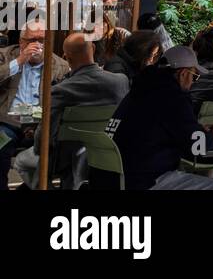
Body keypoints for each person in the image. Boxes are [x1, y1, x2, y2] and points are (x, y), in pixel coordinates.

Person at [12, 31, 128, 189]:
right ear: (92, 48)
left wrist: (36, 138)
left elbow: (44, 140)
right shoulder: (121, 81)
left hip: (65, 157)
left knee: (21, 161)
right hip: (107, 152)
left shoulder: (60, 90)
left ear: (67, 58)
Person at [108, 46, 213, 190]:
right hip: (143, 179)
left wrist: (195, 130)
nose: (192, 83)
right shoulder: (173, 97)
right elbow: (197, 146)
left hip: (111, 178)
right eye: (194, 76)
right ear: (183, 74)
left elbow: (157, 129)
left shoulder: (141, 89)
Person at [0, 19, 70, 183]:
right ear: (20, 41)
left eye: (42, 40)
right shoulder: (4, 56)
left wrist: (39, 121)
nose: (37, 45)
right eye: (31, 40)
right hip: (7, 121)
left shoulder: (60, 66)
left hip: (42, 123)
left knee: (63, 149)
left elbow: (62, 103)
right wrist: (19, 61)